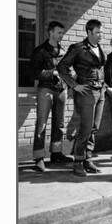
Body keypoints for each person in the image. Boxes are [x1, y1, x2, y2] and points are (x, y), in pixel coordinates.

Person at [57, 19, 106, 177]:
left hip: (100, 92)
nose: (100, 35)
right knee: (85, 128)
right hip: (86, 92)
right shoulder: (78, 48)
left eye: (101, 32)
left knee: (94, 127)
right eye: (98, 32)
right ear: (89, 32)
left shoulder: (99, 48)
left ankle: (87, 159)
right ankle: (78, 161)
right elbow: (62, 67)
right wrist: (74, 85)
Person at [30, 21, 73, 173]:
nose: (62, 35)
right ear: (51, 33)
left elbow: (67, 69)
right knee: (41, 124)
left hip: (61, 90)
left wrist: (70, 75)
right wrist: (51, 73)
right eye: (59, 32)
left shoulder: (63, 51)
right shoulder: (40, 51)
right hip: (46, 90)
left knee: (59, 124)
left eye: (62, 32)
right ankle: (39, 158)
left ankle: (56, 153)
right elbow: (33, 73)